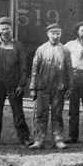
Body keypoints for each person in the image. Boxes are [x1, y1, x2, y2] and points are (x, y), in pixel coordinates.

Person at [0, 16, 31, 147]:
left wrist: (22, 84)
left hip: (13, 85)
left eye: (7, 29)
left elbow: (23, 67)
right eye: (3, 29)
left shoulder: (18, 46)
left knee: (18, 112)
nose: (5, 31)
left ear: (11, 29)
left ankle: (24, 138)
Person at [29, 22, 69, 150]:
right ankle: (39, 140)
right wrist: (32, 88)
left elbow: (69, 70)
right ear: (48, 34)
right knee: (41, 114)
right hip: (43, 86)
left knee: (57, 114)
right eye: (53, 33)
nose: (55, 36)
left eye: (57, 33)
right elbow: (35, 69)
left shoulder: (65, 50)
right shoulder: (41, 49)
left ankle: (58, 139)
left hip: (59, 86)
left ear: (61, 34)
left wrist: (70, 87)